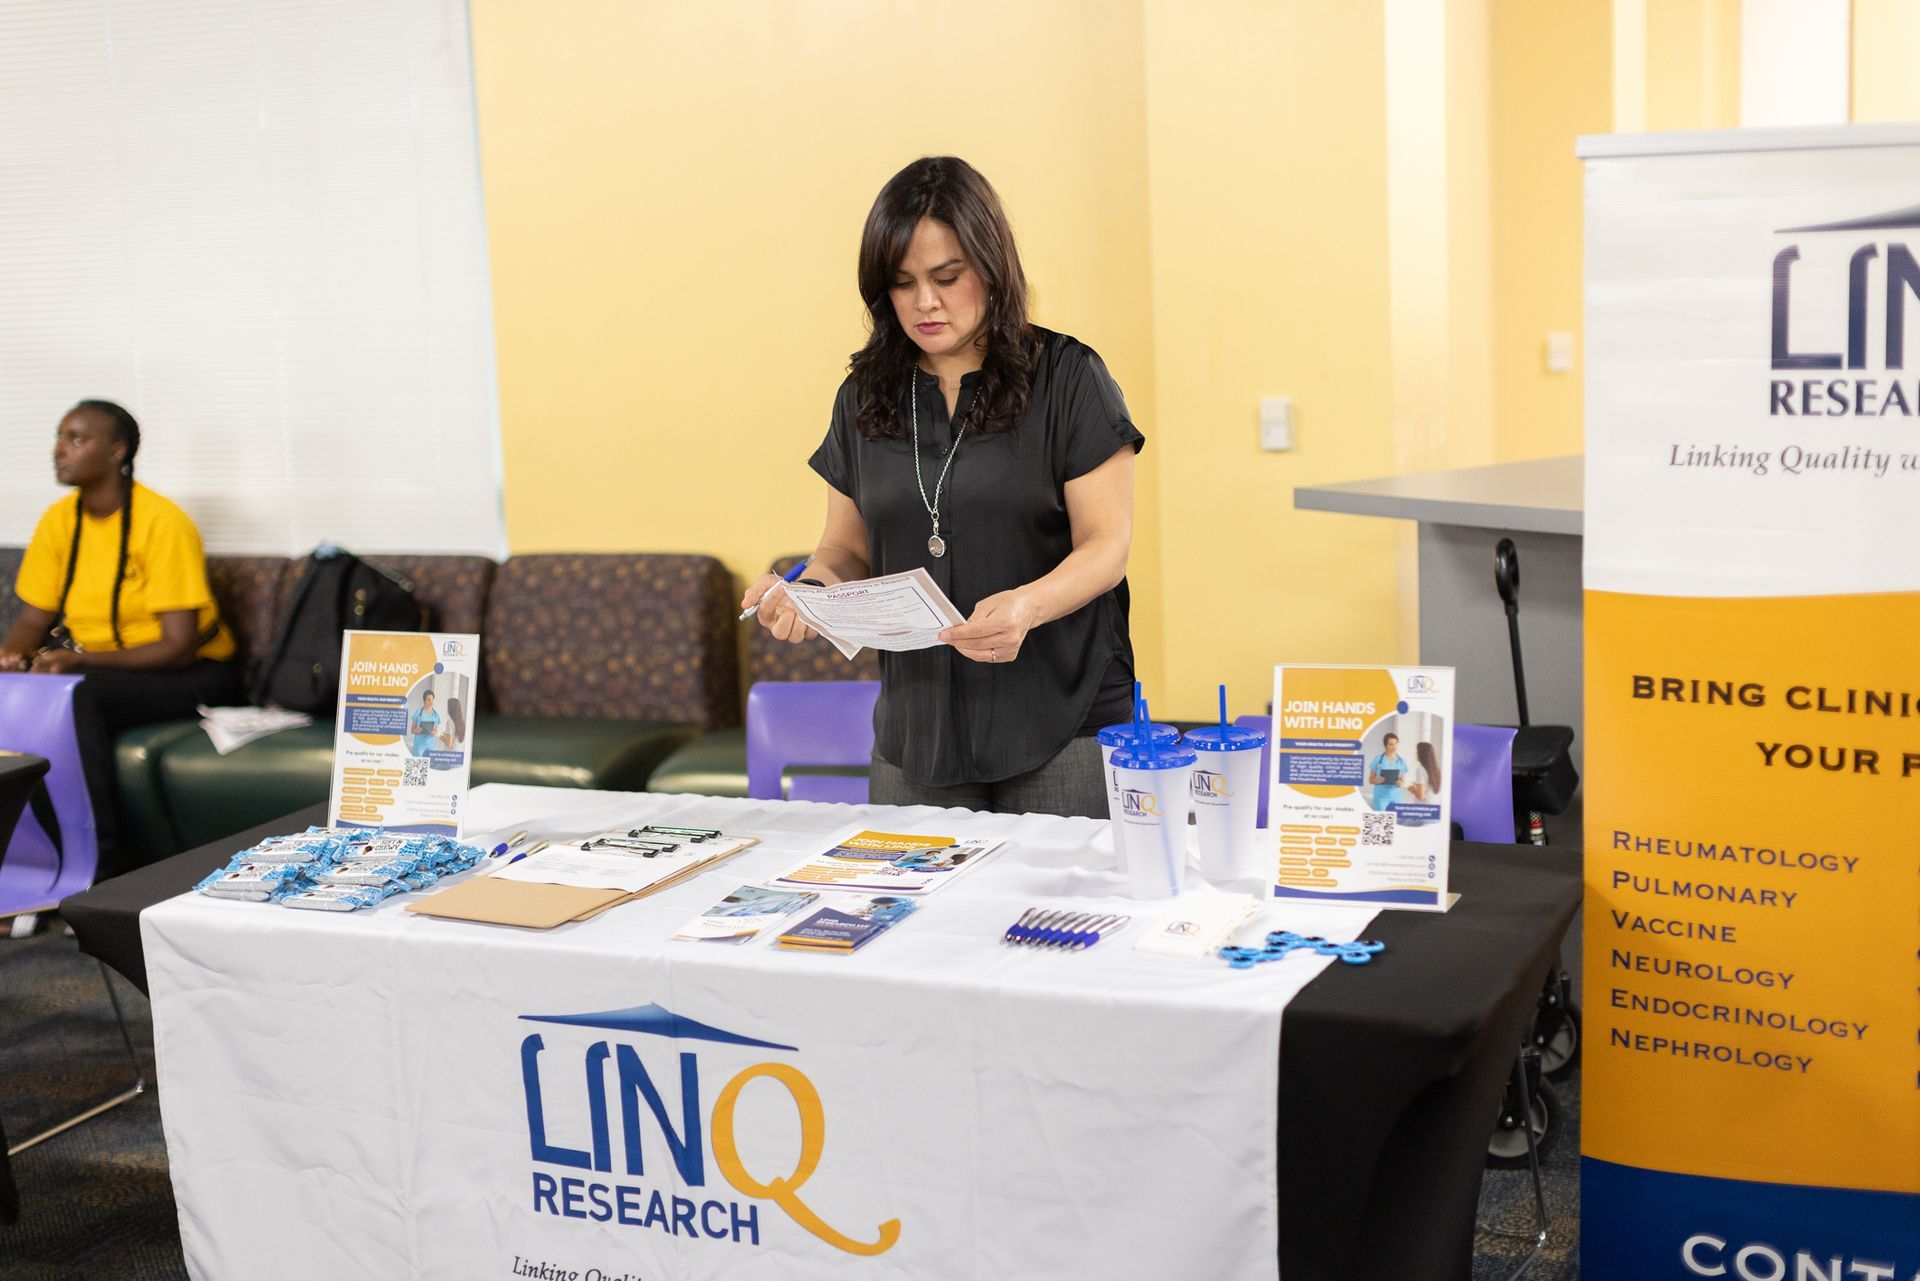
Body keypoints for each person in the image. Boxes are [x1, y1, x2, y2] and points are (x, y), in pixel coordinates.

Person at [742, 157, 1142, 819]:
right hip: (917, 737)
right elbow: (844, 552)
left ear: (990, 266)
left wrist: (1026, 606)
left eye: (947, 277)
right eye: (903, 283)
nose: (926, 302)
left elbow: (1107, 546)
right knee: (912, 920)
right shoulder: (864, 397)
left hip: (1060, 723)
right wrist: (807, 594)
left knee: (1061, 917)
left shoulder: (1071, 379)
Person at [0, 400, 238, 878]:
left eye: (76, 439)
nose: (59, 450)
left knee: (77, 697)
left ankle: (102, 863)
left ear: (116, 451)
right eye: (59, 436)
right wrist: (12, 654)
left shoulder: (162, 523)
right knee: (20, 689)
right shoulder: (58, 521)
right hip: (97, 668)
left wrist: (78, 663)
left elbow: (178, 647)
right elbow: (33, 620)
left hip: (196, 674)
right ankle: (26, 861)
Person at [1367, 733, 1409, 812]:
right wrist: (1376, 780)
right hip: (1381, 797)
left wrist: (1401, 783)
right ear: (1386, 745)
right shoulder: (1378, 759)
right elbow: (1370, 779)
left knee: (1395, 822)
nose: (1394, 746)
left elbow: (1403, 782)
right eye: (1391, 744)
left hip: (1396, 797)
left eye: (1396, 743)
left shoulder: (1402, 761)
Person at [409, 689, 442, 757]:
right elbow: (412, 730)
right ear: (424, 701)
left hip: (431, 746)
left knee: (430, 766)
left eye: (432, 699)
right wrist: (416, 730)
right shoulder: (418, 712)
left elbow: (436, 731)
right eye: (428, 700)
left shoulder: (436, 715)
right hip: (419, 746)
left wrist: (434, 733)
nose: (431, 702)